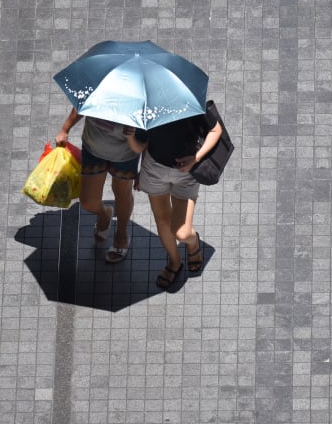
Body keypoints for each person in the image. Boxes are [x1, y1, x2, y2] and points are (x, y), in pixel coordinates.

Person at [125, 110, 222, 290]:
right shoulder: (148, 108)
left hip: (186, 173)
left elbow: (216, 131)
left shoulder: (189, 101)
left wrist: (196, 158)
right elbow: (141, 146)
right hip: (154, 169)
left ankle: (193, 244)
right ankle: (174, 262)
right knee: (162, 221)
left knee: (182, 233)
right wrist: (130, 137)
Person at [56, 108, 140, 262]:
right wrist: (65, 129)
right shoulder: (99, 86)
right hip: (93, 149)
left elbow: (147, 136)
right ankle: (104, 214)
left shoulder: (137, 95)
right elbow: (82, 104)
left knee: (122, 192)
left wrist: (145, 169)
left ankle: (121, 235)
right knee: (88, 201)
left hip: (125, 155)